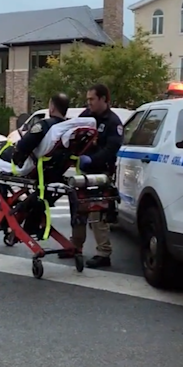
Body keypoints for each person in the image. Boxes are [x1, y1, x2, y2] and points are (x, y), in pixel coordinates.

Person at [61, 83, 123, 269]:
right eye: (87, 99)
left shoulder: (113, 122)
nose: (89, 103)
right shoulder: (87, 116)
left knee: (97, 214)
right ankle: (75, 246)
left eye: (92, 99)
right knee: (78, 210)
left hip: (101, 172)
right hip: (84, 172)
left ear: (104, 99)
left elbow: (111, 149)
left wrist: (92, 159)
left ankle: (104, 253)